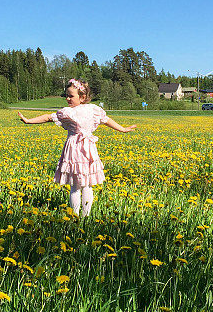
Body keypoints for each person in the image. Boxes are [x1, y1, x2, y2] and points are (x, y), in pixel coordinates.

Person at [18, 78, 136, 217]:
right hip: (78, 149)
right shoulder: (74, 111)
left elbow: (106, 120)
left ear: (82, 97)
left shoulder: (88, 110)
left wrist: (122, 129)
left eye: (71, 96)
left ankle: (81, 216)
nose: (67, 98)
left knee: (83, 185)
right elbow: (48, 118)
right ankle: (78, 215)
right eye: (66, 95)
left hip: (81, 148)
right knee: (78, 185)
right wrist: (28, 121)